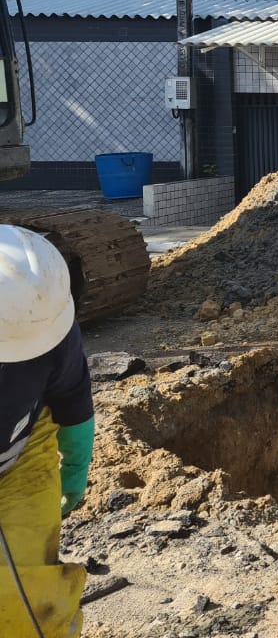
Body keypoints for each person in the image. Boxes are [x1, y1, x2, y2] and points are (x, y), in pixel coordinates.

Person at [0, 225, 95, 638]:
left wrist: (77, 457)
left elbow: (71, 387)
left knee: (29, 588)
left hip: (23, 449)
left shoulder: (44, 311)